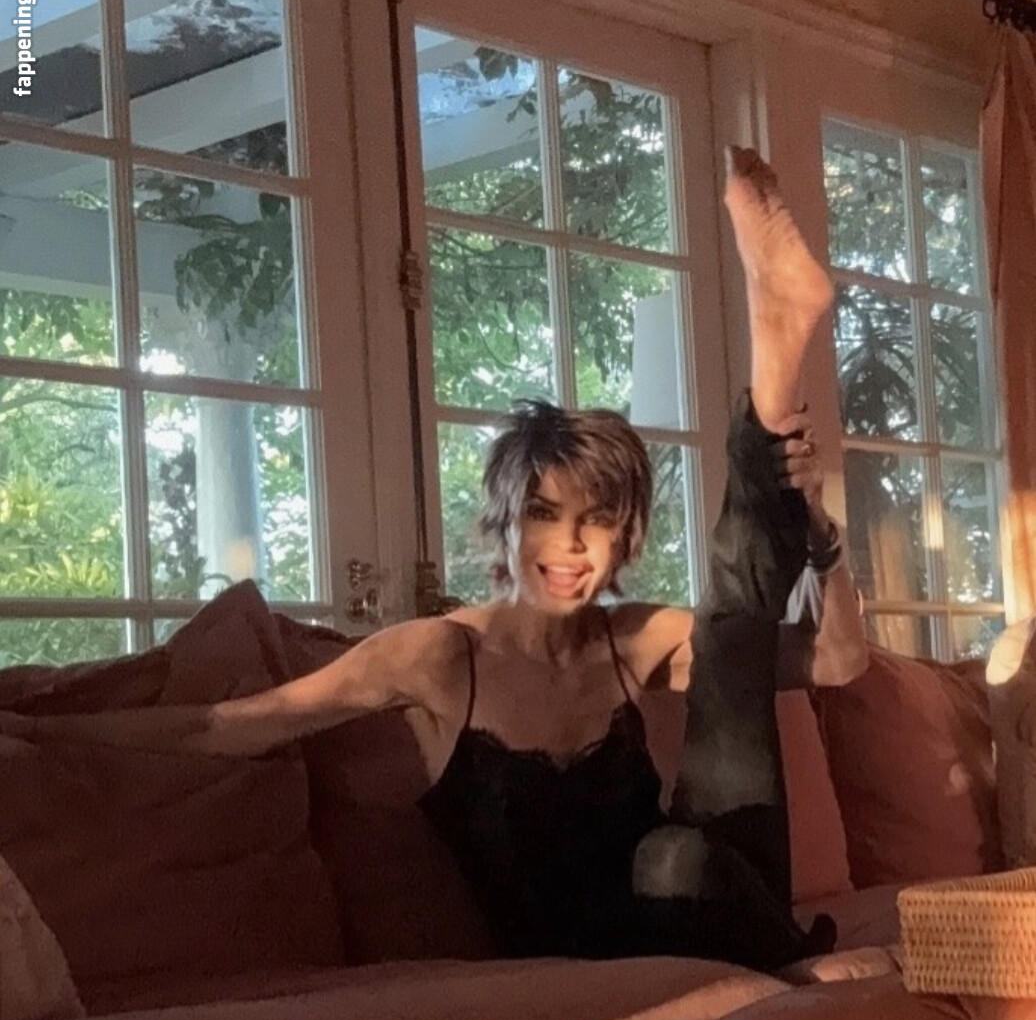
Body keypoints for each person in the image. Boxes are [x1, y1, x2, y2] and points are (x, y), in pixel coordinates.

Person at [6, 148, 867, 971]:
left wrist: (820, 536)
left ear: (625, 539)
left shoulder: (630, 641)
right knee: (675, 859)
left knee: (727, 650)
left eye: (597, 522)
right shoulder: (440, 656)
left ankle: (776, 357)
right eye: (544, 515)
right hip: (587, 948)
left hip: (708, 906)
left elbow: (837, 661)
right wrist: (36, 728)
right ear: (505, 525)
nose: (569, 546)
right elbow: (226, 727)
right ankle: (786, 959)